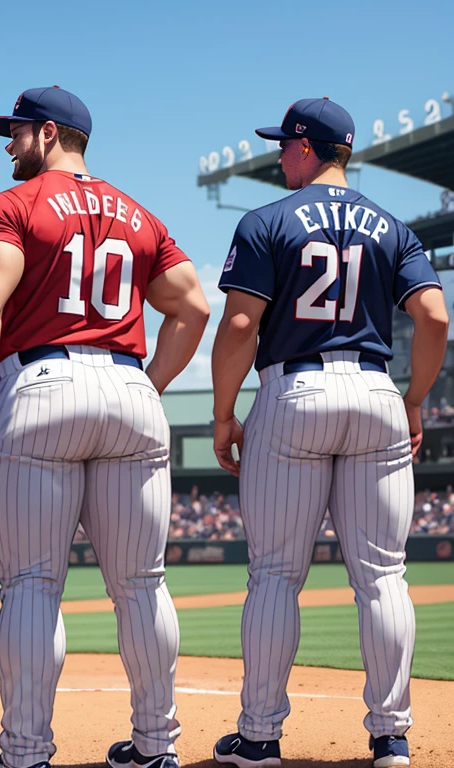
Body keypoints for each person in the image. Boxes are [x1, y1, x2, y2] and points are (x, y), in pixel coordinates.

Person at [0, 86, 210, 768]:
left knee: (32, 585)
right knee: (142, 585)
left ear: (51, 134)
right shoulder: (141, 214)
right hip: (128, 386)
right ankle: (157, 748)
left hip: (41, 386)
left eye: (18, 131)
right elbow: (194, 310)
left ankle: (27, 753)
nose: (8, 143)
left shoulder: (7, 206)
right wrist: (147, 387)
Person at [210, 98, 449, 768]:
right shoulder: (394, 227)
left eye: (285, 145)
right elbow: (433, 317)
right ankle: (392, 738)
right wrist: (415, 399)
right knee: (382, 577)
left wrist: (225, 413)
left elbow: (237, 327)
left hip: (295, 390)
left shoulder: (266, 221)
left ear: (309, 148)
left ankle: (258, 737)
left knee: (277, 576)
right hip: (374, 389)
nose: (278, 155)